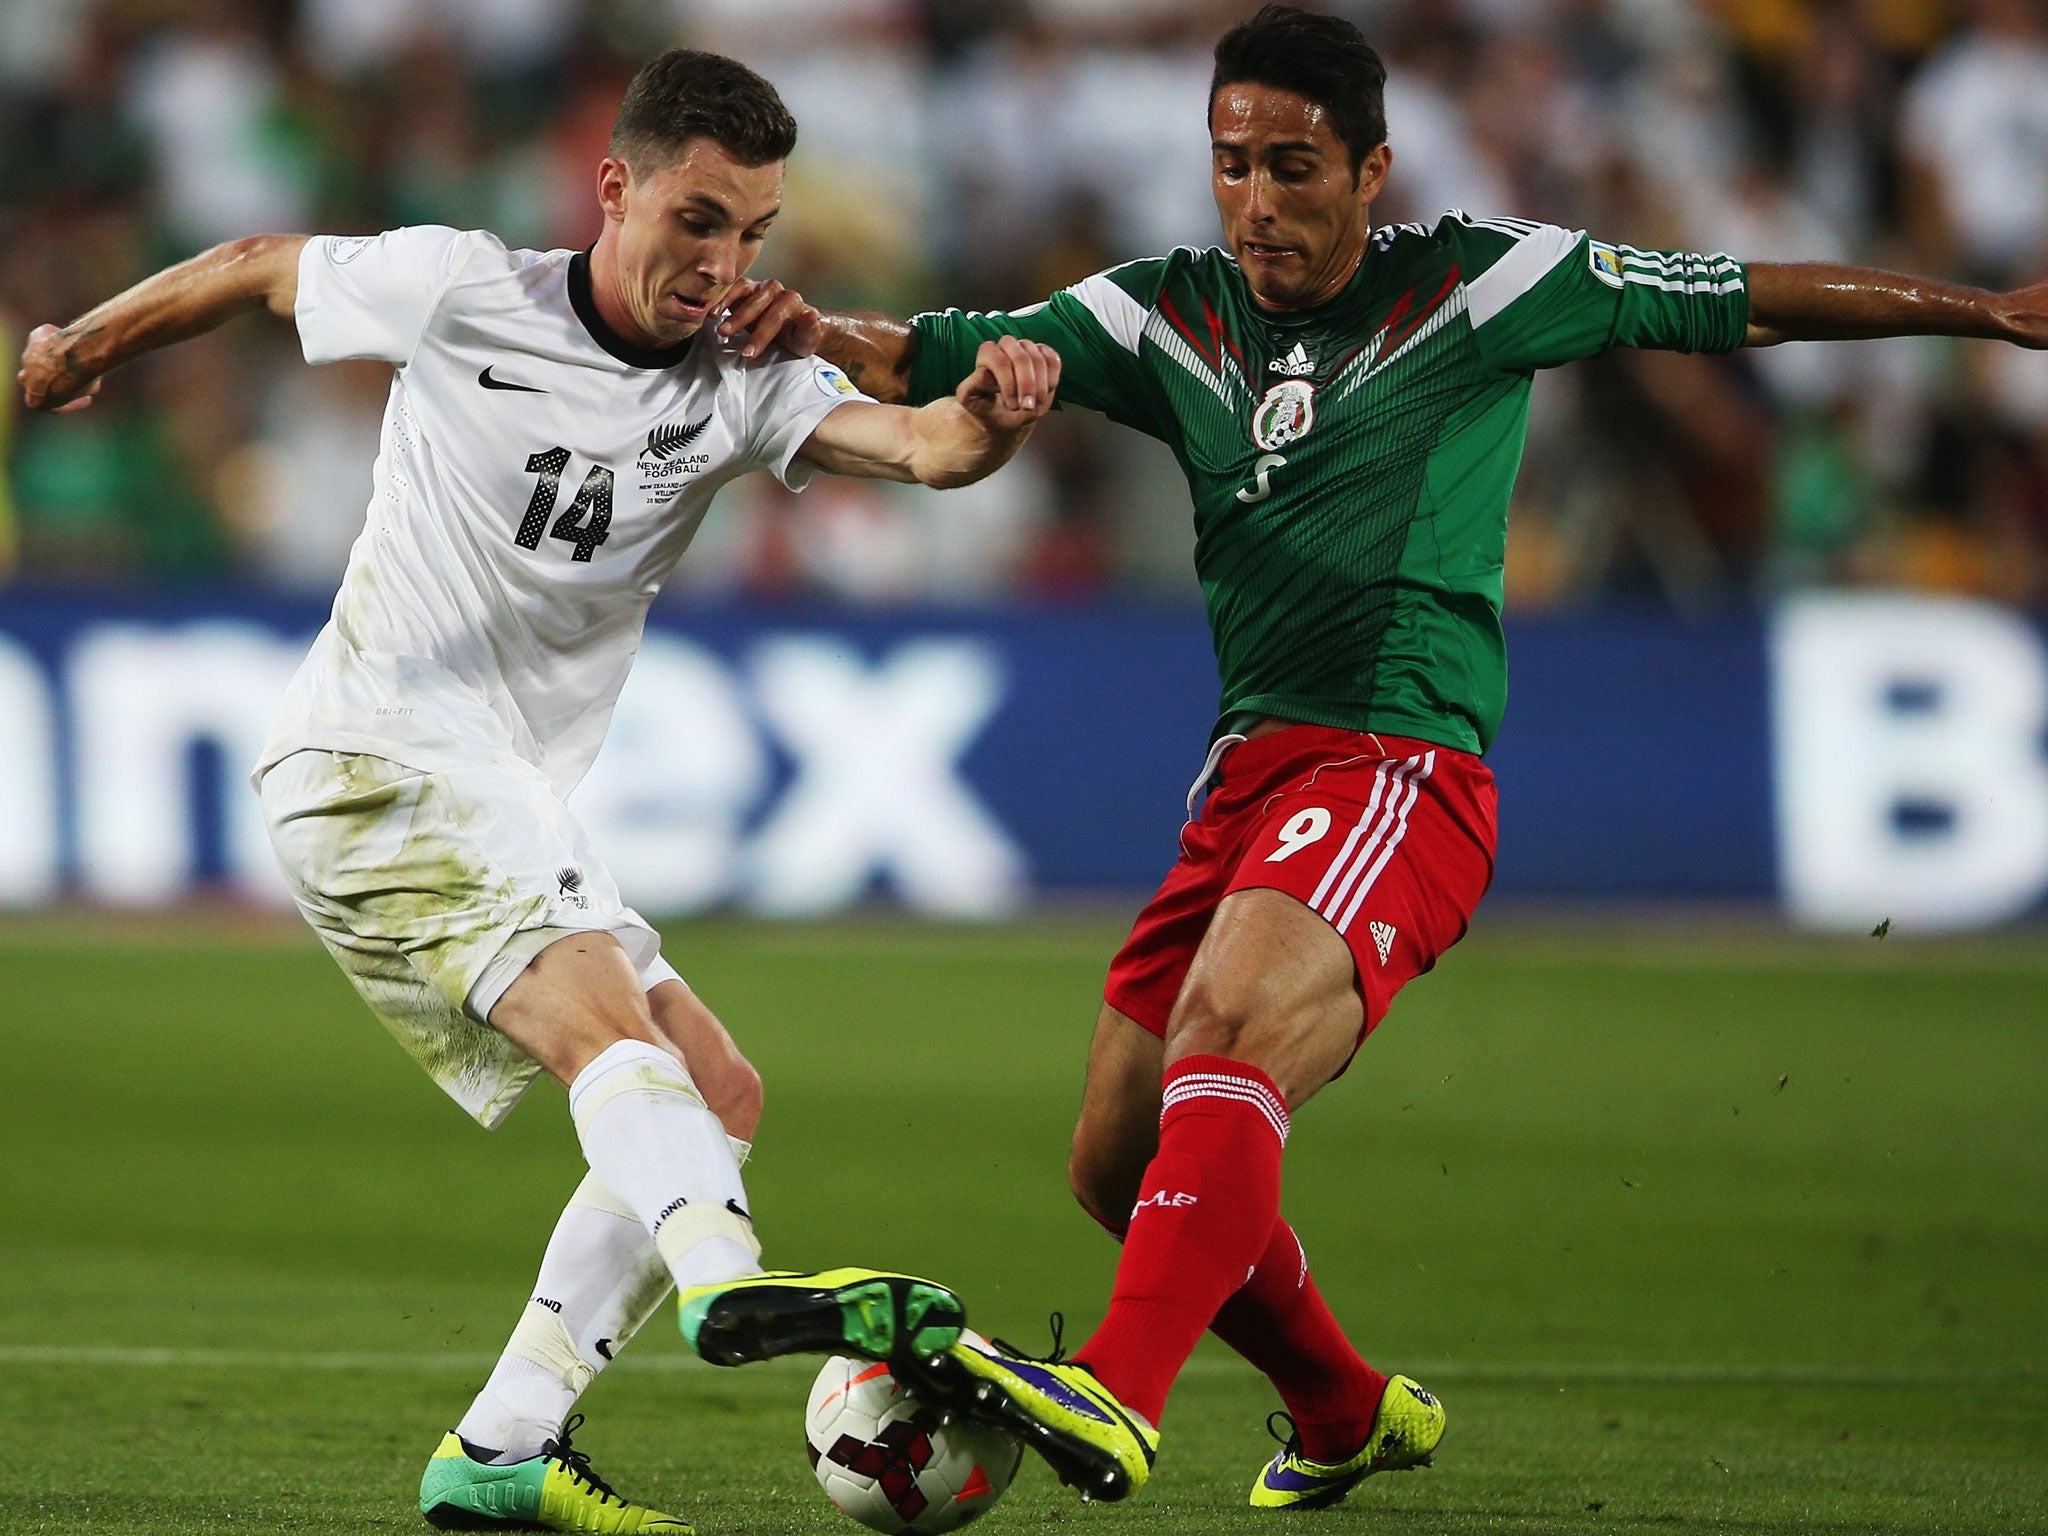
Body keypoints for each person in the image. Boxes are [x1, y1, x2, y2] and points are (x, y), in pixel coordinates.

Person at [721, 2, 2048, 1510]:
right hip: (1246, 782)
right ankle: (1344, 1409)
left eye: (1293, 166)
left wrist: (1986, 312)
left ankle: (1115, 1391)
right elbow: (932, 352)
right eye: (1231, 166)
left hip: (1399, 760)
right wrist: (818, 330)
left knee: (1228, 1024)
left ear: (1372, 171)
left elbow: (1743, 298)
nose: (1257, 201)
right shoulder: (1165, 316)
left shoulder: (1485, 285)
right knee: (1112, 1157)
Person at [16, 50, 1061, 1536]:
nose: (722, 265)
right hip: (377, 751)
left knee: (716, 1092)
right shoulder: (462, 286)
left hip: (491, 794)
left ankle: (502, 1450)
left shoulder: (745, 378)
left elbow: (929, 445)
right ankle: (727, 1283)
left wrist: (1000, 411)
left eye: (754, 234)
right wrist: (79, 342)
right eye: (698, 219)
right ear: (615, 185)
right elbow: (258, 266)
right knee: (611, 1037)